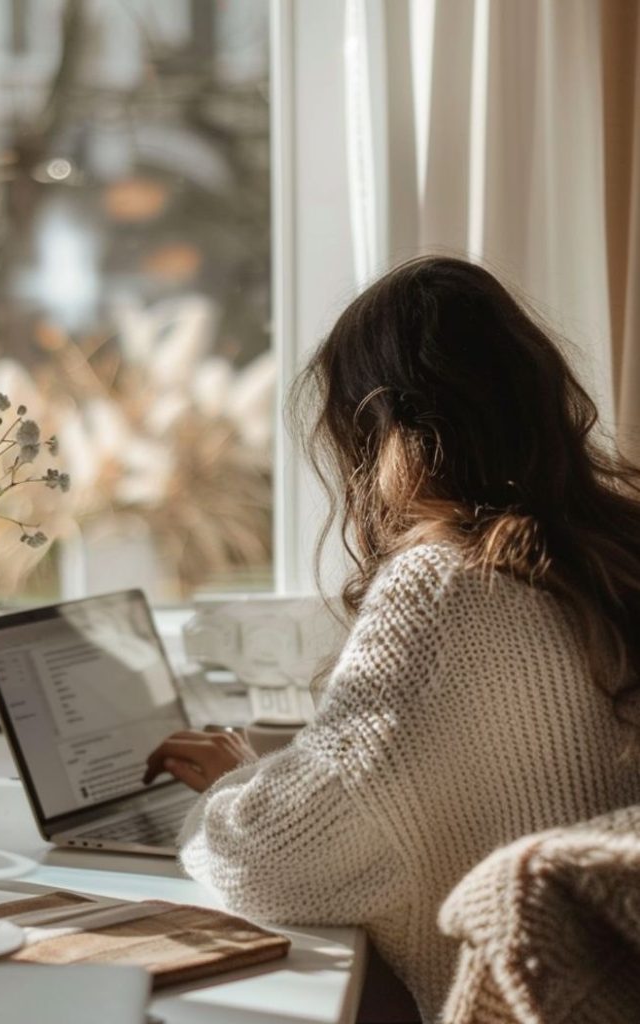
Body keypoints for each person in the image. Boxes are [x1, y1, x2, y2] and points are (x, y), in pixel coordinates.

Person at [144, 256, 640, 1024]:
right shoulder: (614, 554)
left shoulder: (442, 582)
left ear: (384, 429)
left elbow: (272, 857)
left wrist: (228, 787)